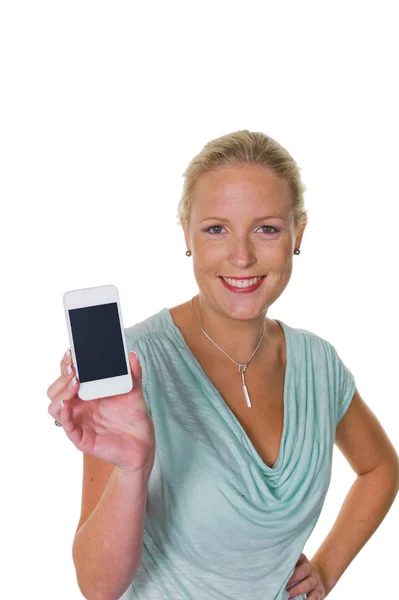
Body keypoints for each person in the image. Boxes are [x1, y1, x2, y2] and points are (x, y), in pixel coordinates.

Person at [47, 130, 399, 600]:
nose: (241, 256)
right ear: (186, 234)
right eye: (216, 229)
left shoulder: (319, 365)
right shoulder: (133, 366)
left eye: (266, 228)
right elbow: (97, 587)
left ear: (299, 234)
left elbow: (381, 469)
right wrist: (134, 468)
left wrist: (326, 570)